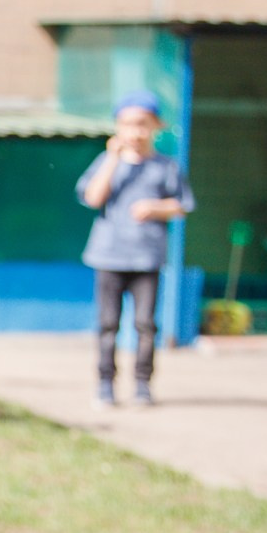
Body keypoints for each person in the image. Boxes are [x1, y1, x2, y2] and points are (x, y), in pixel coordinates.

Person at [77, 90, 193, 408]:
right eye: (128, 124)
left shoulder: (165, 167)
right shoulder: (106, 163)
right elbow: (92, 198)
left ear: (156, 126)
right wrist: (113, 158)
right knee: (107, 324)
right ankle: (105, 384)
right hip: (109, 256)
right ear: (118, 127)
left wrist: (155, 207)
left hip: (146, 258)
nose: (136, 132)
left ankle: (142, 384)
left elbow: (183, 205)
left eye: (143, 124)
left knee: (145, 324)